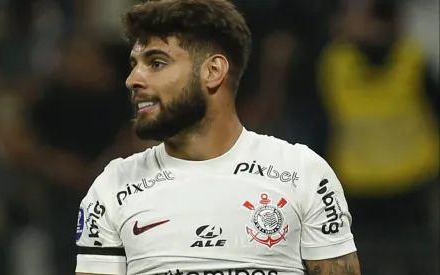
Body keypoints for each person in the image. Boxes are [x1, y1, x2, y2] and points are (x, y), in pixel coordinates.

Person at [75, 0, 361, 274]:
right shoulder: (112, 188)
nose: (133, 79)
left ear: (213, 71)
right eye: (134, 63)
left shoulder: (303, 174)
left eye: (157, 63)